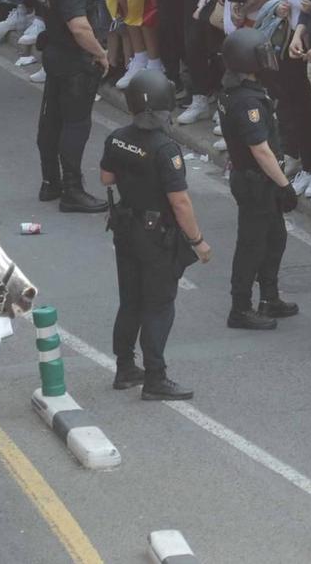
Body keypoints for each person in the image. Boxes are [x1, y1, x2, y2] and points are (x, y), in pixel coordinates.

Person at [100, 69, 212, 401]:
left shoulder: (117, 137)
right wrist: (198, 242)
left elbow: (107, 178)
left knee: (131, 301)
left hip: (126, 230)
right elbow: (180, 201)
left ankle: (124, 368)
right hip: (156, 236)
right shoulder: (166, 148)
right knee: (159, 307)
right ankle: (155, 378)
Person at [218, 27, 300, 330]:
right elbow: (261, 150)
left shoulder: (234, 90)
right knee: (252, 246)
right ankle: (240, 308)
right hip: (257, 181)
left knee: (274, 238)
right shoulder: (247, 101)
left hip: (255, 178)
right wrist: (284, 184)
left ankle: (269, 297)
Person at [35, 0, 111, 214]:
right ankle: (72, 190)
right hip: (73, 61)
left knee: (51, 119)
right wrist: (100, 53)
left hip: (54, 53)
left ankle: (50, 182)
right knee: (75, 125)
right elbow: (80, 27)